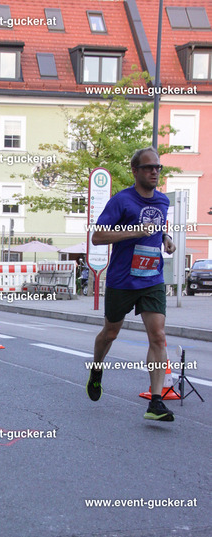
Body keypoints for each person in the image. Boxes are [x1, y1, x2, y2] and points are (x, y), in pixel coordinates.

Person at [86, 147, 176, 422]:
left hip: (152, 278)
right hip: (122, 280)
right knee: (110, 333)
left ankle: (156, 402)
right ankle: (97, 368)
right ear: (135, 171)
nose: (154, 172)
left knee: (158, 336)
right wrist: (134, 232)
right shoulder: (121, 201)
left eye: (158, 167)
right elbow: (98, 237)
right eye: (149, 167)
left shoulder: (162, 201)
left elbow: (158, 227)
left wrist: (166, 239)